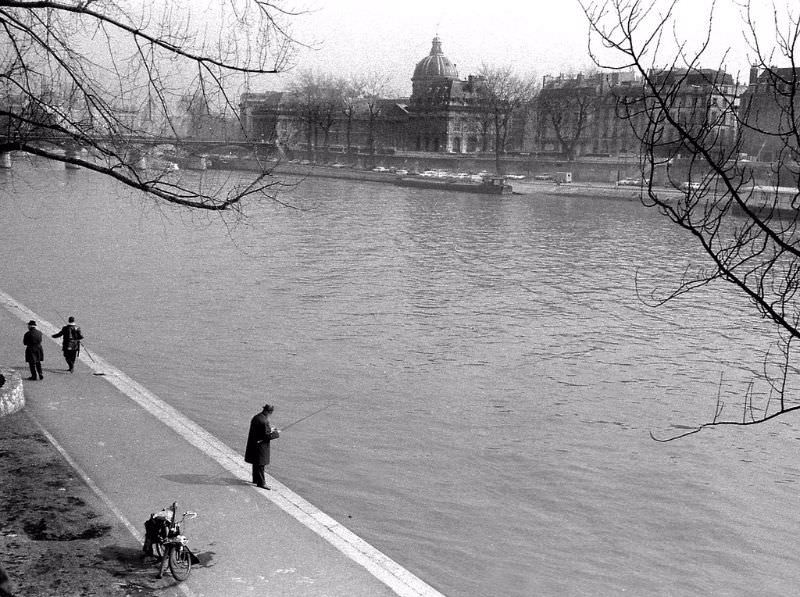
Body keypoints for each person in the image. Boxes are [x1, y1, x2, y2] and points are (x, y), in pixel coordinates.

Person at [244, 403, 279, 489]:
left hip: (253, 444)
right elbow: (266, 436)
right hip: (261, 446)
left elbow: (260, 431)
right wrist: (276, 433)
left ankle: (255, 479)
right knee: (260, 464)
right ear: (269, 412)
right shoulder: (265, 421)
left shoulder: (256, 417)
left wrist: (270, 429)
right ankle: (261, 483)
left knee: (256, 463)